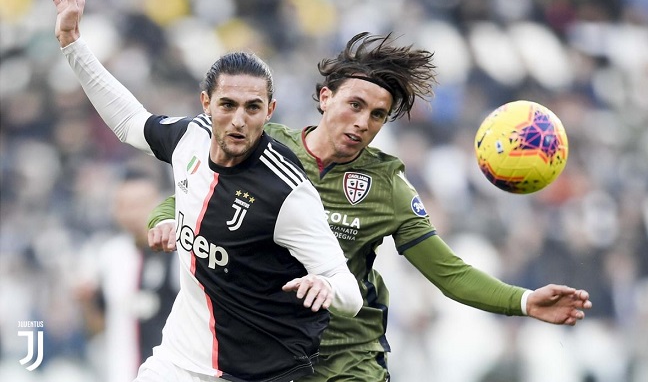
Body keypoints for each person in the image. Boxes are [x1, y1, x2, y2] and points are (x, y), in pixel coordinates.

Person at [148, 36, 594, 379]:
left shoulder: (388, 187)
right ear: (325, 98)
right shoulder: (268, 148)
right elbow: (195, 192)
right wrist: (164, 218)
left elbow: (449, 272)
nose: (363, 123)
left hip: (348, 361)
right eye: (355, 105)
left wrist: (523, 301)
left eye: (378, 115)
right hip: (271, 357)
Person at [47, 0, 363, 382]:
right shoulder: (188, 140)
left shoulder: (286, 192)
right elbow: (128, 121)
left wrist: (328, 288)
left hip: (262, 372)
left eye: (252, 108)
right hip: (179, 360)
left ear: (269, 111)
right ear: (206, 104)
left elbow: (349, 292)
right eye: (227, 105)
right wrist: (72, 43)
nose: (238, 119)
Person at [76, 171, 179, 382]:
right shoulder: (109, 255)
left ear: (160, 204)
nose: (133, 213)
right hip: (121, 374)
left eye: (140, 203)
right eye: (124, 205)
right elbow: (98, 327)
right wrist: (85, 301)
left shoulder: (179, 252)